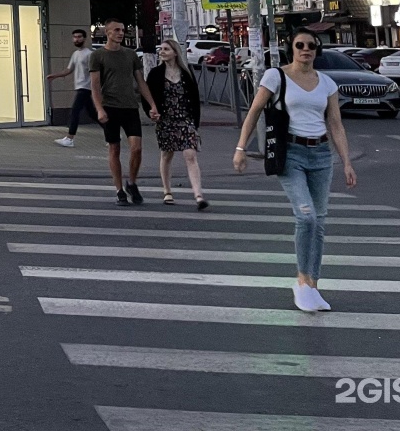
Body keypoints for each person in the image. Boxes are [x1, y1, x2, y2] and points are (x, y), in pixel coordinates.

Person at [234, 29, 356, 313]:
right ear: (292, 48)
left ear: (317, 49)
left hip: (321, 154)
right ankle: (301, 282)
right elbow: (254, 112)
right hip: (291, 154)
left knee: (320, 223)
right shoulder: (276, 76)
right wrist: (240, 149)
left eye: (311, 45)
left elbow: (335, 124)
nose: (305, 49)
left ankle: (313, 285)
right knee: (307, 217)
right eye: (300, 45)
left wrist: (347, 162)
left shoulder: (326, 83)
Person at [90, 20, 159, 206]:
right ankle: (119, 190)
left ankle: (132, 182)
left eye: (123, 29)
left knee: (137, 148)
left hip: (130, 107)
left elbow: (140, 81)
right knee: (115, 148)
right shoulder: (98, 55)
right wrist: (99, 109)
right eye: (117, 30)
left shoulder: (130, 55)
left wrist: (152, 104)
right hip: (110, 107)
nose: (121, 33)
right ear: (107, 32)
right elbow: (95, 86)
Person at [147, 38, 207, 209]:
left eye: (166, 49)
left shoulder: (186, 73)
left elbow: (195, 99)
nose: (162, 52)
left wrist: (195, 122)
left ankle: (198, 195)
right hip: (166, 120)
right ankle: (167, 191)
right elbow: (148, 97)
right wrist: (151, 112)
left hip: (185, 119)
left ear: (175, 52)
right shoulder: (155, 73)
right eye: (161, 49)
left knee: (190, 154)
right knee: (167, 155)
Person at [49, 28, 95, 147]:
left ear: (84, 38)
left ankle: (70, 138)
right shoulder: (75, 54)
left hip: (85, 88)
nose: (77, 39)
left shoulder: (90, 54)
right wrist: (55, 76)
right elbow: (69, 70)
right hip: (80, 87)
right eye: (75, 37)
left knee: (75, 111)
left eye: (79, 37)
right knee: (93, 113)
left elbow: (95, 72)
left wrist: (96, 87)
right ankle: (112, 132)